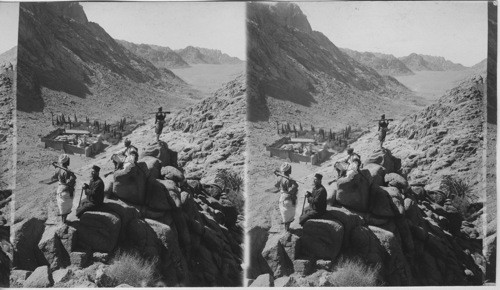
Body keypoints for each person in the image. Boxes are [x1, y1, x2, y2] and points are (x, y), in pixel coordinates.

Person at [52, 154, 76, 223]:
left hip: (60, 189)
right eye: (68, 160)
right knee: (66, 206)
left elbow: (55, 176)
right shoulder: (67, 172)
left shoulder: (58, 169)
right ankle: (64, 221)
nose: (69, 161)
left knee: (63, 206)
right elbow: (69, 182)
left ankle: (63, 220)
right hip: (66, 190)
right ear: (66, 162)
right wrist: (72, 175)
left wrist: (56, 168)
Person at [274, 162, 298, 232]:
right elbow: (291, 190)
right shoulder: (288, 180)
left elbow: (276, 185)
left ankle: (286, 229)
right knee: (289, 215)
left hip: (282, 198)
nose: (291, 169)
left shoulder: (280, 177)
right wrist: (294, 184)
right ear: (287, 170)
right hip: (288, 199)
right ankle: (287, 229)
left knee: (286, 215)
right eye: (290, 168)